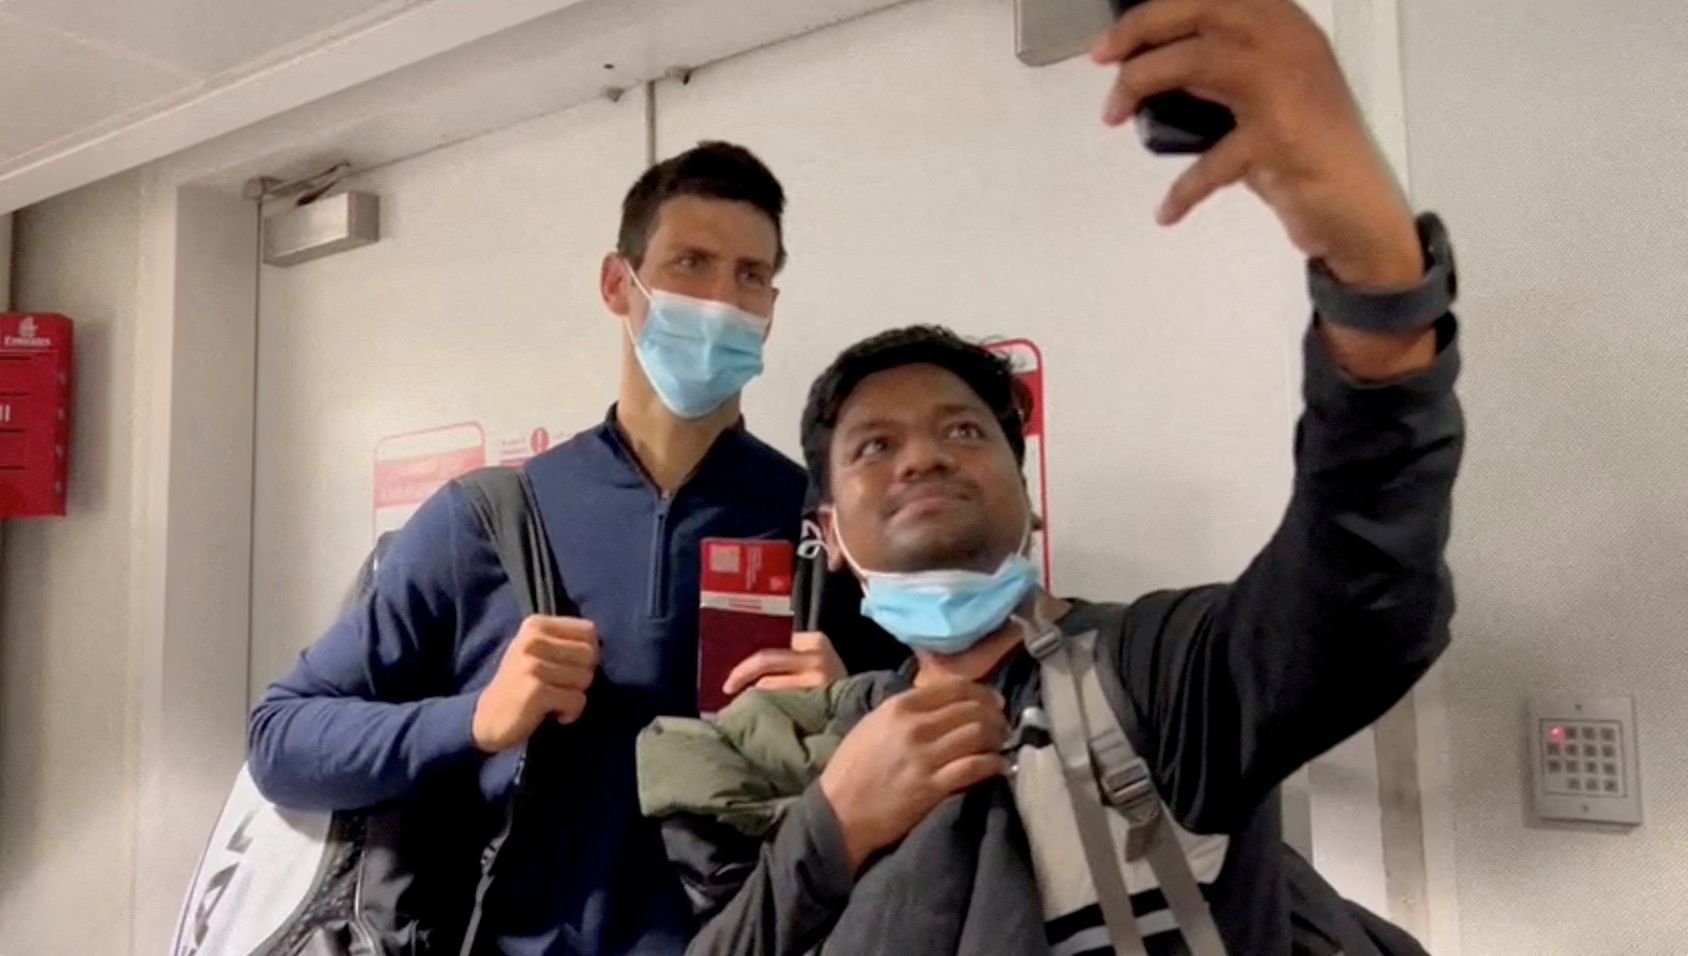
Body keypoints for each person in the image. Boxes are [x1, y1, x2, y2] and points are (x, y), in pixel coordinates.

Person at [640, 1, 1464, 953]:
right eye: (873, 446)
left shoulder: (1148, 675)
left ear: (1026, 496)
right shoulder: (840, 741)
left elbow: (1358, 586)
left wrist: (1374, 274)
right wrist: (831, 827)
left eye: (963, 430)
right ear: (831, 536)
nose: (923, 456)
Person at [246, 141, 900, 956]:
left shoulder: (827, 531)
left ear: (771, 306)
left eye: (750, 276)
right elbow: (281, 740)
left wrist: (852, 713)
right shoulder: (488, 521)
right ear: (617, 284)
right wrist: (474, 719)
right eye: (691, 264)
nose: (721, 301)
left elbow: (938, 762)